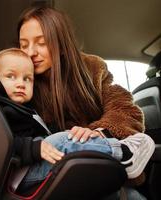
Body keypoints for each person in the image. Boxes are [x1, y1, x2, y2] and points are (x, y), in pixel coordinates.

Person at [15, 5, 154, 199]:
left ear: (61, 44)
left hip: (103, 171)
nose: (31, 52)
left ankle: (124, 155)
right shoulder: (19, 83)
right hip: (56, 180)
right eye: (24, 45)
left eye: (41, 42)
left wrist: (99, 132)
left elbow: (125, 110)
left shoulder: (92, 69)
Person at [0, 48, 154, 192]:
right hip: (20, 175)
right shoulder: (0, 109)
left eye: (27, 79)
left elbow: (123, 108)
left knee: (66, 136)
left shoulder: (27, 109)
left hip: (35, 166)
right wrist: (32, 147)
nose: (20, 83)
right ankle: (124, 153)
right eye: (11, 76)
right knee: (62, 139)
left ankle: (116, 159)